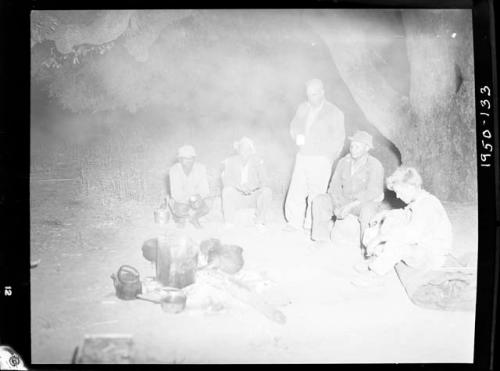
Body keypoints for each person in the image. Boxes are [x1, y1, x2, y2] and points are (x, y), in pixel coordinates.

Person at [352, 166, 453, 287]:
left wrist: (380, 238)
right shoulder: (420, 201)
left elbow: (411, 235)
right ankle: (378, 258)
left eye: (399, 192)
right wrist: (385, 214)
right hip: (422, 246)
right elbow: (405, 214)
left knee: (397, 244)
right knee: (391, 220)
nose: (398, 196)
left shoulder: (427, 205)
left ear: (410, 187)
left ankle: (376, 275)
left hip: (432, 256)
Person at [284, 78, 345, 233]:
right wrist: (296, 136)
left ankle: (311, 224)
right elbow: (294, 126)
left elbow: (339, 138)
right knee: (296, 189)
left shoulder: (334, 112)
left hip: (321, 158)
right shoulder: (303, 108)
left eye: (315, 94)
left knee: (316, 192)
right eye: (309, 95)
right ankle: (294, 222)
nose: (312, 98)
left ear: (323, 92)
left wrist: (329, 157)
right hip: (303, 155)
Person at [311, 130, 385, 244]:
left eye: (358, 147)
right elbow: (333, 187)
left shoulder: (375, 165)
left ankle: (366, 248)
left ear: (367, 148)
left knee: (368, 211)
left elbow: (373, 192)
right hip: (344, 200)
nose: (353, 149)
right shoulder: (343, 162)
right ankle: (321, 238)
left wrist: (350, 206)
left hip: (361, 203)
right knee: (320, 200)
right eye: (352, 146)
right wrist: (336, 205)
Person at [221, 137, 272, 229]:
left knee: (267, 191)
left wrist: (253, 187)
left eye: (247, 150)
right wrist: (239, 187)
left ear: (251, 151)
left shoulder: (258, 161)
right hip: (238, 196)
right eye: (242, 149)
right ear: (238, 150)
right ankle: (229, 222)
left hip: (253, 196)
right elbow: (226, 179)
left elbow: (265, 180)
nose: (244, 152)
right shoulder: (230, 161)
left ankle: (259, 221)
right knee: (227, 191)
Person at [168, 145, 210, 229]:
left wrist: (199, 197)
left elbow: (205, 189)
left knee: (208, 206)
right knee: (180, 208)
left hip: (195, 198)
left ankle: (194, 218)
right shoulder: (174, 170)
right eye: (185, 158)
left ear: (194, 159)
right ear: (179, 159)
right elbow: (176, 194)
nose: (188, 161)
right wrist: (189, 200)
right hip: (181, 200)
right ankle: (181, 218)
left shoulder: (200, 168)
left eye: (191, 158)